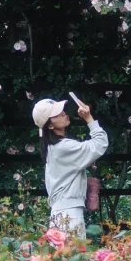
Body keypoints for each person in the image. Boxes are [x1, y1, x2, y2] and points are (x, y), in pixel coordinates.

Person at [32, 96, 108, 238]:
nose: (64, 114)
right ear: (50, 125)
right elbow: (100, 144)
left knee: (63, 259)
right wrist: (89, 118)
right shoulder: (63, 147)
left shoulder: (53, 147)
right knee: (73, 257)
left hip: (62, 213)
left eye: (62, 111)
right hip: (70, 214)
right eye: (57, 114)